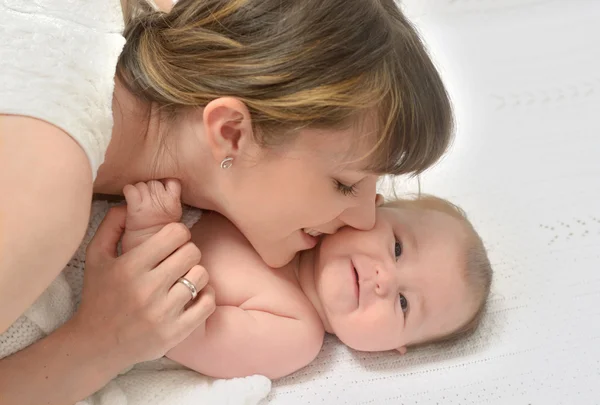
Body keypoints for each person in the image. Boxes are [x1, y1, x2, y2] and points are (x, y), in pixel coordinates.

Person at [0, 0, 453, 403]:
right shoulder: (42, 192)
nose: (367, 218)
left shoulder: (184, 25)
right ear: (231, 132)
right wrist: (98, 343)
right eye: (344, 184)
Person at [120, 180, 492, 379]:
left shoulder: (294, 335)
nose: (384, 280)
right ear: (374, 208)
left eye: (404, 303)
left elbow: (176, 332)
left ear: (391, 348)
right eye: (396, 248)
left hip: (107, 297)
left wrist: (146, 234)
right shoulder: (294, 212)